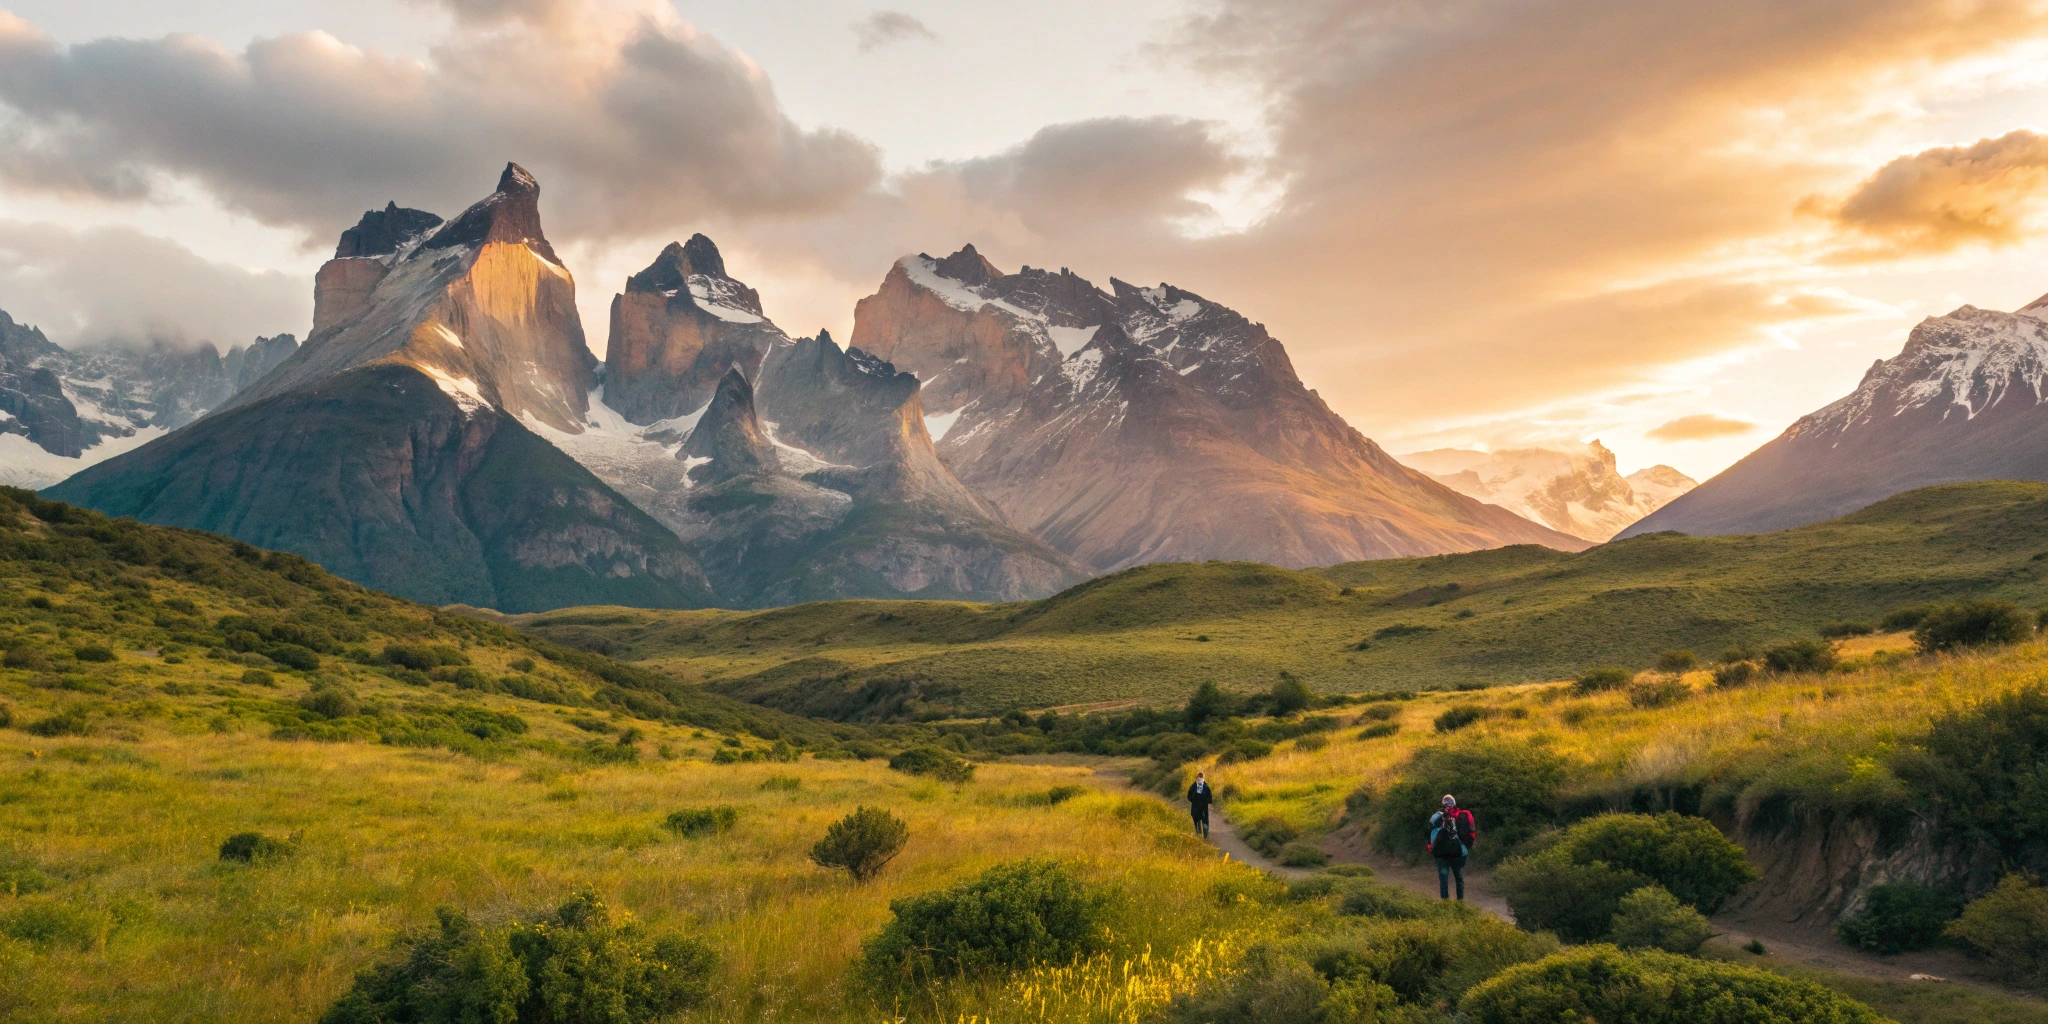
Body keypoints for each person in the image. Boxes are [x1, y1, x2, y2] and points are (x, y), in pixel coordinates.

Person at [1427, 794, 1477, 900]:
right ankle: (1460, 901)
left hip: (1441, 854)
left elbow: (1430, 832)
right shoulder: (1462, 815)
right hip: (1456, 852)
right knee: (1458, 876)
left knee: (1443, 878)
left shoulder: (1438, 816)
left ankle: (1445, 902)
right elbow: (1466, 835)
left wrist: (1431, 847)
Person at [1187, 772, 1214, 838]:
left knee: (1196, 820)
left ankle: (1199, 833)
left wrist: (1193, 800)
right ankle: (1205, 836)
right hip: (1203, 808)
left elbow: (1189, 796)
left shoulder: (1193, 786)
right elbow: (1210, 799)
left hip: (1195, 808)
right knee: (1204, 821)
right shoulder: (1206, 786)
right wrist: (1207, 801)